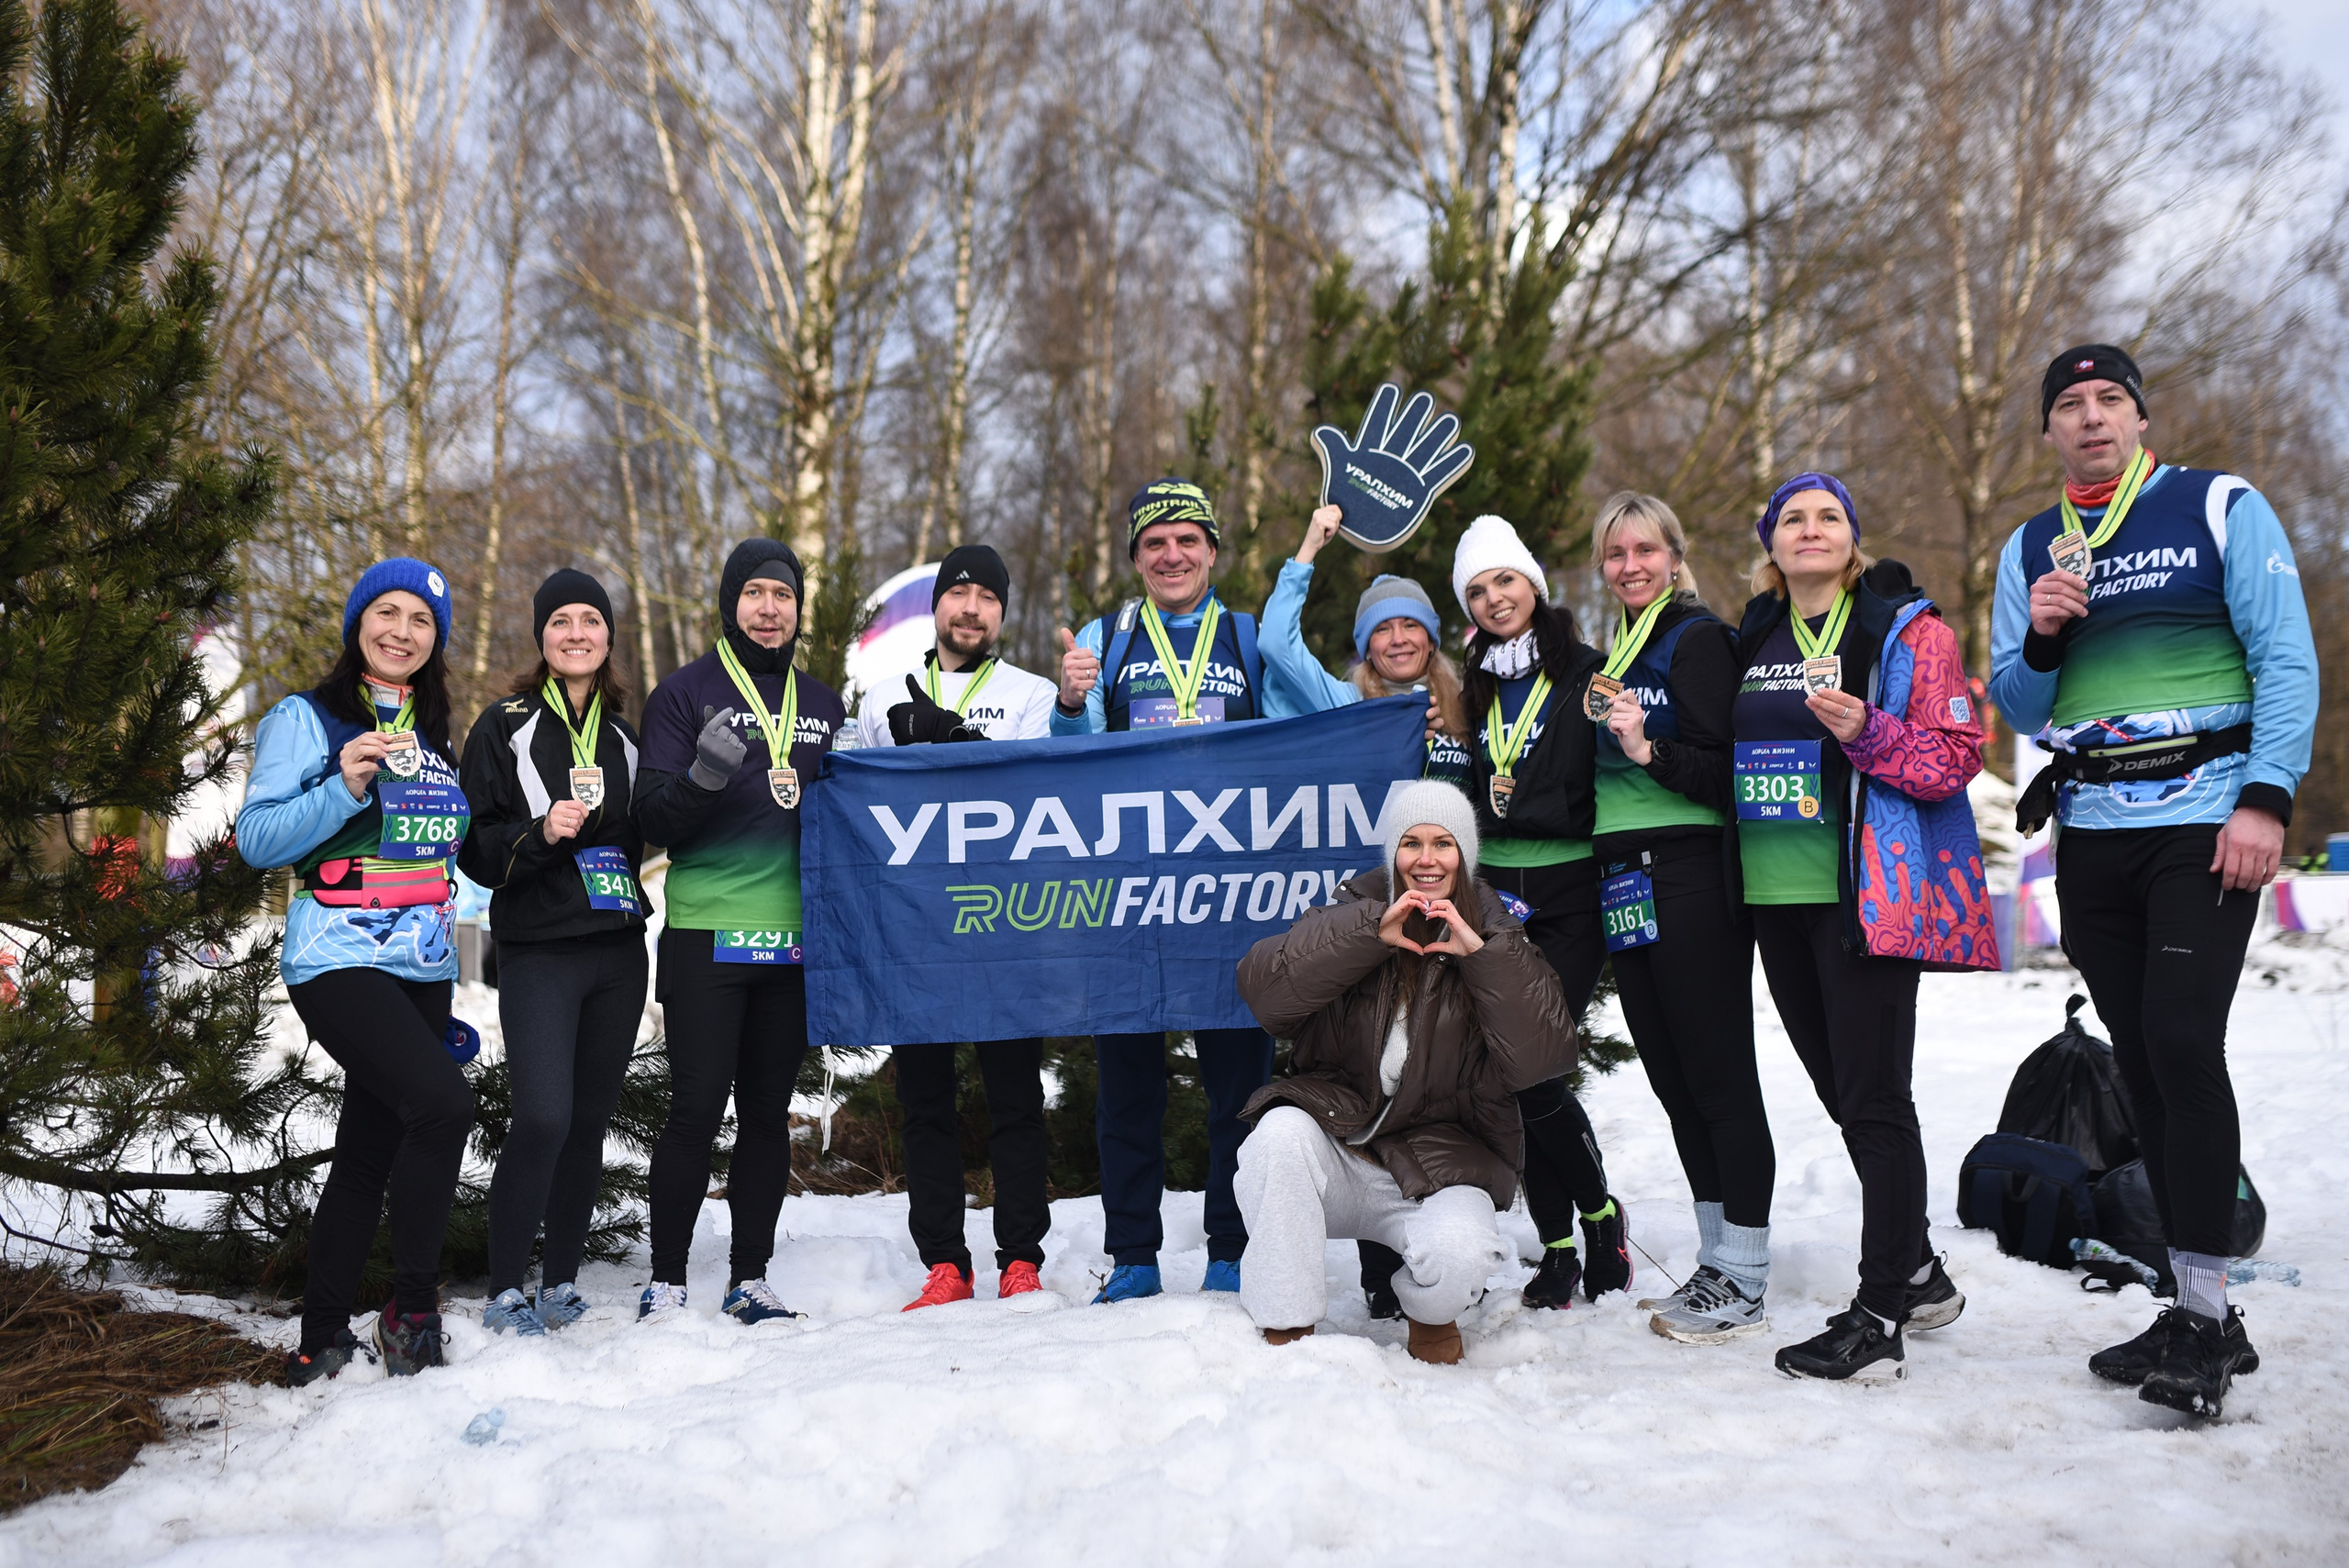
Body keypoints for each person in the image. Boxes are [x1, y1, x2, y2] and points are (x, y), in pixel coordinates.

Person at [1989, 344, 2317, 1418]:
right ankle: (2193, 1302)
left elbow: (2283, 655)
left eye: (2109, 400)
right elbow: (2020, 707)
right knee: (2142, 1058)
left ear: (2138, 418)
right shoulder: (2033, 543)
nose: (2089, 418)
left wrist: (2266, 796)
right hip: (2093, 829)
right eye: (2068, 405)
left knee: (2182, 1043)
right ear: (2048, 431)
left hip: (2206, 821)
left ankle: (2209, 1322)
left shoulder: (2216, 504)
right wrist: (2039, 635)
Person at [1731, 475, 1997, 1382]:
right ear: (1771, 543)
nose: (1810, 530)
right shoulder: (1753, 637)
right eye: (1791, 519)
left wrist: (1871, 730)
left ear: (1852, 540)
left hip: (1867, 899)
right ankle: (1917, 1273)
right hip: (1774, 899)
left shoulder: (1904, 630)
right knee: (1846, 1096)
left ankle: (1879, 1313)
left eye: (1828, 517)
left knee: (1876, 1099)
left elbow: (1956, 756)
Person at [1231, 780, 1576, 1363]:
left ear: (1464, 854)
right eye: (1410, 843)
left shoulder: (1498, 933)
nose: (1426, 859)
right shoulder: (1352, 912)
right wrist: (1367, 936)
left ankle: (1428, 1314)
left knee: (1462, 1252)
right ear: (1392, 852)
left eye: (1443, 843)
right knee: (1278, 1138)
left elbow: (1543, 1057)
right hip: (1343, 1150)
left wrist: (1483, 960)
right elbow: (1266, 995)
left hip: (1439, 1165)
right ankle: (1284, 1327)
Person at [1051, 478, 1290, 1303]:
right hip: (1130, 901)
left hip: (1234, 903)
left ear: (1213, 552)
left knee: (1239, 1086)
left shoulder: (1250, 637)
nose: (1172, 554)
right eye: (1155, 542)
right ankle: (1134, 1255)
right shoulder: (1106, 637)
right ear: (1136, 558)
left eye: (1188, 539)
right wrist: (1072, 701)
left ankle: (1232, 1246)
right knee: (1128, 1086)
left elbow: (1312, 732)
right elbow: (1071, 762)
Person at [236, 559, 474, 1382]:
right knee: (443, 1105)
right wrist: (341, 784)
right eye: (388, 612)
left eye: (420, 619)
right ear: (357, 622)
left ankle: (322, 1335)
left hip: (424, 959)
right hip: (336, 952)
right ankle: (412, 1311)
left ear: (434, 640)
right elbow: (259, 840)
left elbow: (448, 851)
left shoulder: (435, 728)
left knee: (368, 1147)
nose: (402, 630)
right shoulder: (303, 718)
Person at [633, 539, 846, 1326]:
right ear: (731, 603)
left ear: (797, 608)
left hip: (792, 943)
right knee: (694, 1107)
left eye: (782, 595)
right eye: (754, 593)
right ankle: (666, 1280)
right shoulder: (683, 695)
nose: (768, 608)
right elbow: (652, 821)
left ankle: (749, 1276)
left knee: (766, 1112)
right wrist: (702, 777)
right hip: (708, 933)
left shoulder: (822, 706)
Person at [1584, 492, 1776, 1345]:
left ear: (1674, 554)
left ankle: (1748, 1271)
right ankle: (1715, 1260)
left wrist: (1647, 750)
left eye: (1645, 550)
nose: (1630, 566)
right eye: (1615, 554)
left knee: (1719, 1076)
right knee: (1671, 1079)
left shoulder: (1697, 640)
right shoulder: (1618, 650)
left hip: (1689, 874)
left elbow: (1724, 766)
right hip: (1622, 880)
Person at [1439, 513, 1637, 1310]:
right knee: (1512, 1072)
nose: (1494, 600)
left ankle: (1597, 1220)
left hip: (1568, 898)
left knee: (1537, 1064)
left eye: (1505, 581)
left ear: (1535, 586)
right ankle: (1561, 1241)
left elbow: (1611, 775)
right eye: (1478, 591)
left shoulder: (1588, 672)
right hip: (1494, 899)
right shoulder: (1472, 687)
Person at [851, 544, 1056, 1308]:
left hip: (1004, 923)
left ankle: (1021, 1258)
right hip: (916, 928)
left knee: (1014, 1096)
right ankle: (944, 1262)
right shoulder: (878, 703)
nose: (971, 608)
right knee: (926, 1100)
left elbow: (1024, 789)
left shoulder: (1032, 694)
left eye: (987, 598)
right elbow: (853, 807)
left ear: (1003, 614)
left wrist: (948, 738)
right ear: (937, 606)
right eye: (958, 593)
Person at [458, 569, 650, 1337]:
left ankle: (561, 1282)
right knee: (542, 1115)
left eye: (591, 620)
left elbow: (645, 835)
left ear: (608, 636)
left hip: (618, 953)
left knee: (587, 1121)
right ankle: (506, 1288)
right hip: (539, 952)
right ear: (542, 637)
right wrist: (537, 836)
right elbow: (471, 847)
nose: (577, 632)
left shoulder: (629, 738)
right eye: (561, 620)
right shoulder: (501, 726)